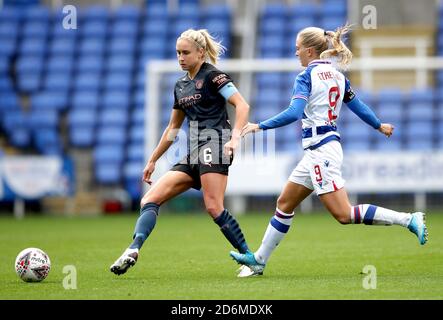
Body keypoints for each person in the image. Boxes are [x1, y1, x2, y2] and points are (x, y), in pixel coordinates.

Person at [230, 25, 429, 277]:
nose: (296, 53)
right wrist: (379, 125)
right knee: (285, 203)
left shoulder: (305, 77)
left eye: (298, 48)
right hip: (322, 148)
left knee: (344, 214)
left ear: (310, 51)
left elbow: (294, 113)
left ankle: (408, 219)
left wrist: (259, 125)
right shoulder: (337, 76)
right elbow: (359, 106)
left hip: (321, 151)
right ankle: (259, 260)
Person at [110, 29, 253, 275]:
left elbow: (242, 104)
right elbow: (173, 127)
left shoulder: (214, 77)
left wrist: (236, 137)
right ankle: (133, 248)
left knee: (213, 206)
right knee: (149, 199)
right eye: (178, 53)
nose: (181, 58)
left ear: (200, 52)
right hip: (194, 151)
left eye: (185, 52)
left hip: (216, 144)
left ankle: (249, 259)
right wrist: (153, 159)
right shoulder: (181, 86)